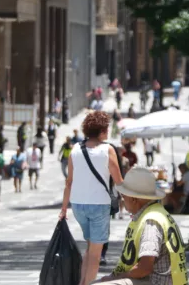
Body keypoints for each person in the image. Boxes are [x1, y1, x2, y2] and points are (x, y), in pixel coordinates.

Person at [93, 167, 189, 285]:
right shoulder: (156, 213)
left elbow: (144, 268)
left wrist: (116, 278)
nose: (122, 200)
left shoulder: (150, 222)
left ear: (134, 199)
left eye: (124, 196)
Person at [59, 111, 124, 285]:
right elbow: (119, 181)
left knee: (89, 248)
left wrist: (64, 208)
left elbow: (69, 182)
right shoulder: (107, 149)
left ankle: (82, 282)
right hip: (99, 205)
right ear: (102, 130)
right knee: (96, 253)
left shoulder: (75, 148)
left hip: (78, 205)